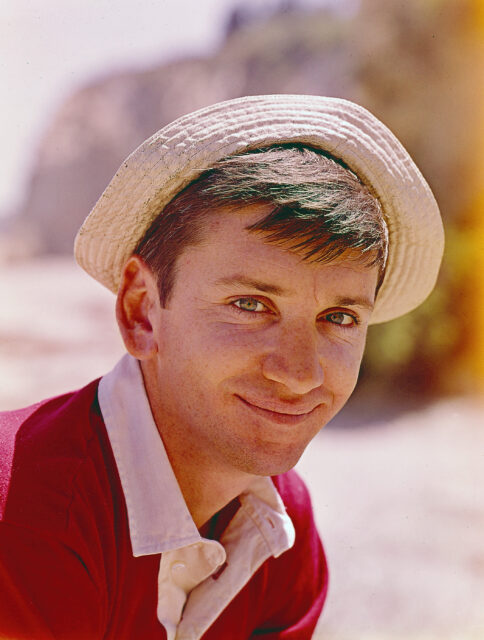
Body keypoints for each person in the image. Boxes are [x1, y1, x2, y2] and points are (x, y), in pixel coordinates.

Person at [0, 95, 444, 639]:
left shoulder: (279, 525)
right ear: (142, 311)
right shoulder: (24, 517)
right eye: (251, 305)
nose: (300, 373)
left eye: (339, 317)